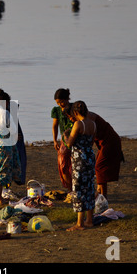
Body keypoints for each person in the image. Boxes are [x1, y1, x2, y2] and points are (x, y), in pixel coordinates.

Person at [0, 89, 21, 214]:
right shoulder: (5, 113)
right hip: (3, 145)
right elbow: (13, 130)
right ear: (4, 102)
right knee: (0, 175)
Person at [63, 101, 96, 231]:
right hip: (90, 157)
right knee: (89, 187)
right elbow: (91, 142)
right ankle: (89, 220)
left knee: (78, 189)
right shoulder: (93, 124)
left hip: (79, 160)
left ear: (75, 112)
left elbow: (69, 144)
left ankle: (79, 223)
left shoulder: (78, 124)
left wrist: (66, 135)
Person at [51, 88, 74, 191]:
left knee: (73, 167)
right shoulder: (56, 111)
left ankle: (75, 189)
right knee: (63, 166)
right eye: (58, 103)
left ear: (67, 99)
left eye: (61, 102)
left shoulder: (74, 108)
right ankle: (70, 189)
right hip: (63, 141)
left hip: (74, 139)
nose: (60, 104)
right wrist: (55, 140)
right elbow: (55, 126)